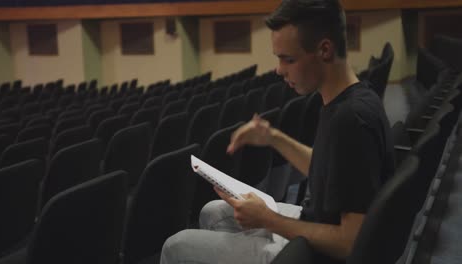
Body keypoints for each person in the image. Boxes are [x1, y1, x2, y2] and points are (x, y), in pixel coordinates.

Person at [160, 0, 395, 263]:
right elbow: (328, 170)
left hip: (313, 254)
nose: (279, 69)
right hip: (313, 223)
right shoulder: (352, 98)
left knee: (175, 245)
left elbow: (351, 243)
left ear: (324, 50)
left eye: (288, 59)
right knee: (214, 211)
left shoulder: (351, 120)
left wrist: (269, 220)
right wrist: (274, 138)